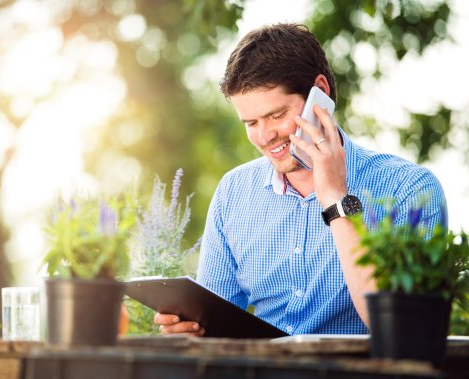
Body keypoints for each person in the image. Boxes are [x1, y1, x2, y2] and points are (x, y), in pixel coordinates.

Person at [155, 23, 446, 336]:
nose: (265, 136)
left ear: (320, 92)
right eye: (251, 122)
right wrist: (192, 330)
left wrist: (337, 200)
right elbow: (215, 324)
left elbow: (404, 332)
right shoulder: (233, 193)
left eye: (277, 115)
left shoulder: (409, 190)